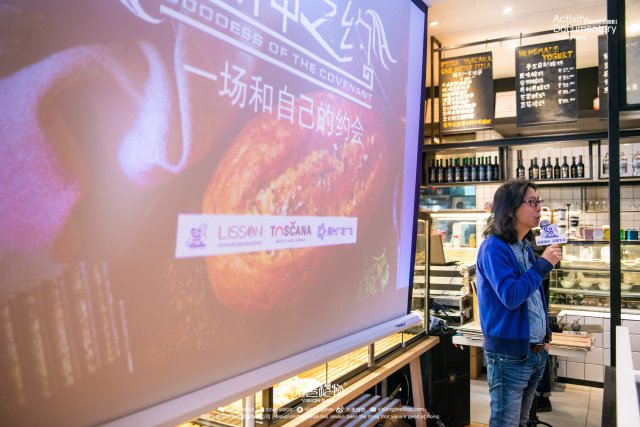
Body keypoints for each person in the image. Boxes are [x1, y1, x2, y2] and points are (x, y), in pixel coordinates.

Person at [476, 179, 563, 426]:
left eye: (539, 202)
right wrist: (543, 264)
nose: (539, 208)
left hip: (534, 352)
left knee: (522, 421)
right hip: (509, 355)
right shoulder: (494, 247)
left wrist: (545, 338)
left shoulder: (524, 245)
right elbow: (512, 296)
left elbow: (533, 297)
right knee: (506, 422)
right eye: (532, 202)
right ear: (510, 209)